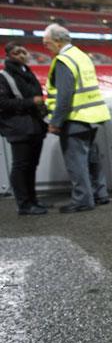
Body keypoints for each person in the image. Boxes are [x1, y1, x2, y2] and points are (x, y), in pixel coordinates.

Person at [42, 24, 112, 213]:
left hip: (75, 117)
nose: (45, 47)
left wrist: (55, 122)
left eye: (47, 43)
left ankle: (82, 200)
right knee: (91, 159)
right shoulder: (81, 56)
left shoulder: (64, 60)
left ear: (58, 42)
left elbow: (64, 96)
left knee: (76, 162)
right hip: (91, 116)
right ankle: (100, 194)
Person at [0, 42, 49, 215]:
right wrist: (31, 102)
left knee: (31, 165)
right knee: (21, 166)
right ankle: (24, 204)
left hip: (35, 126)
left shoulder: (27, 72)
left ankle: (33, 199)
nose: (21, 55)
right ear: (8, 55)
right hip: (18, 128)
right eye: (16, 52)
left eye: (23, 51)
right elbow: (2, 103)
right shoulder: (4, 76)